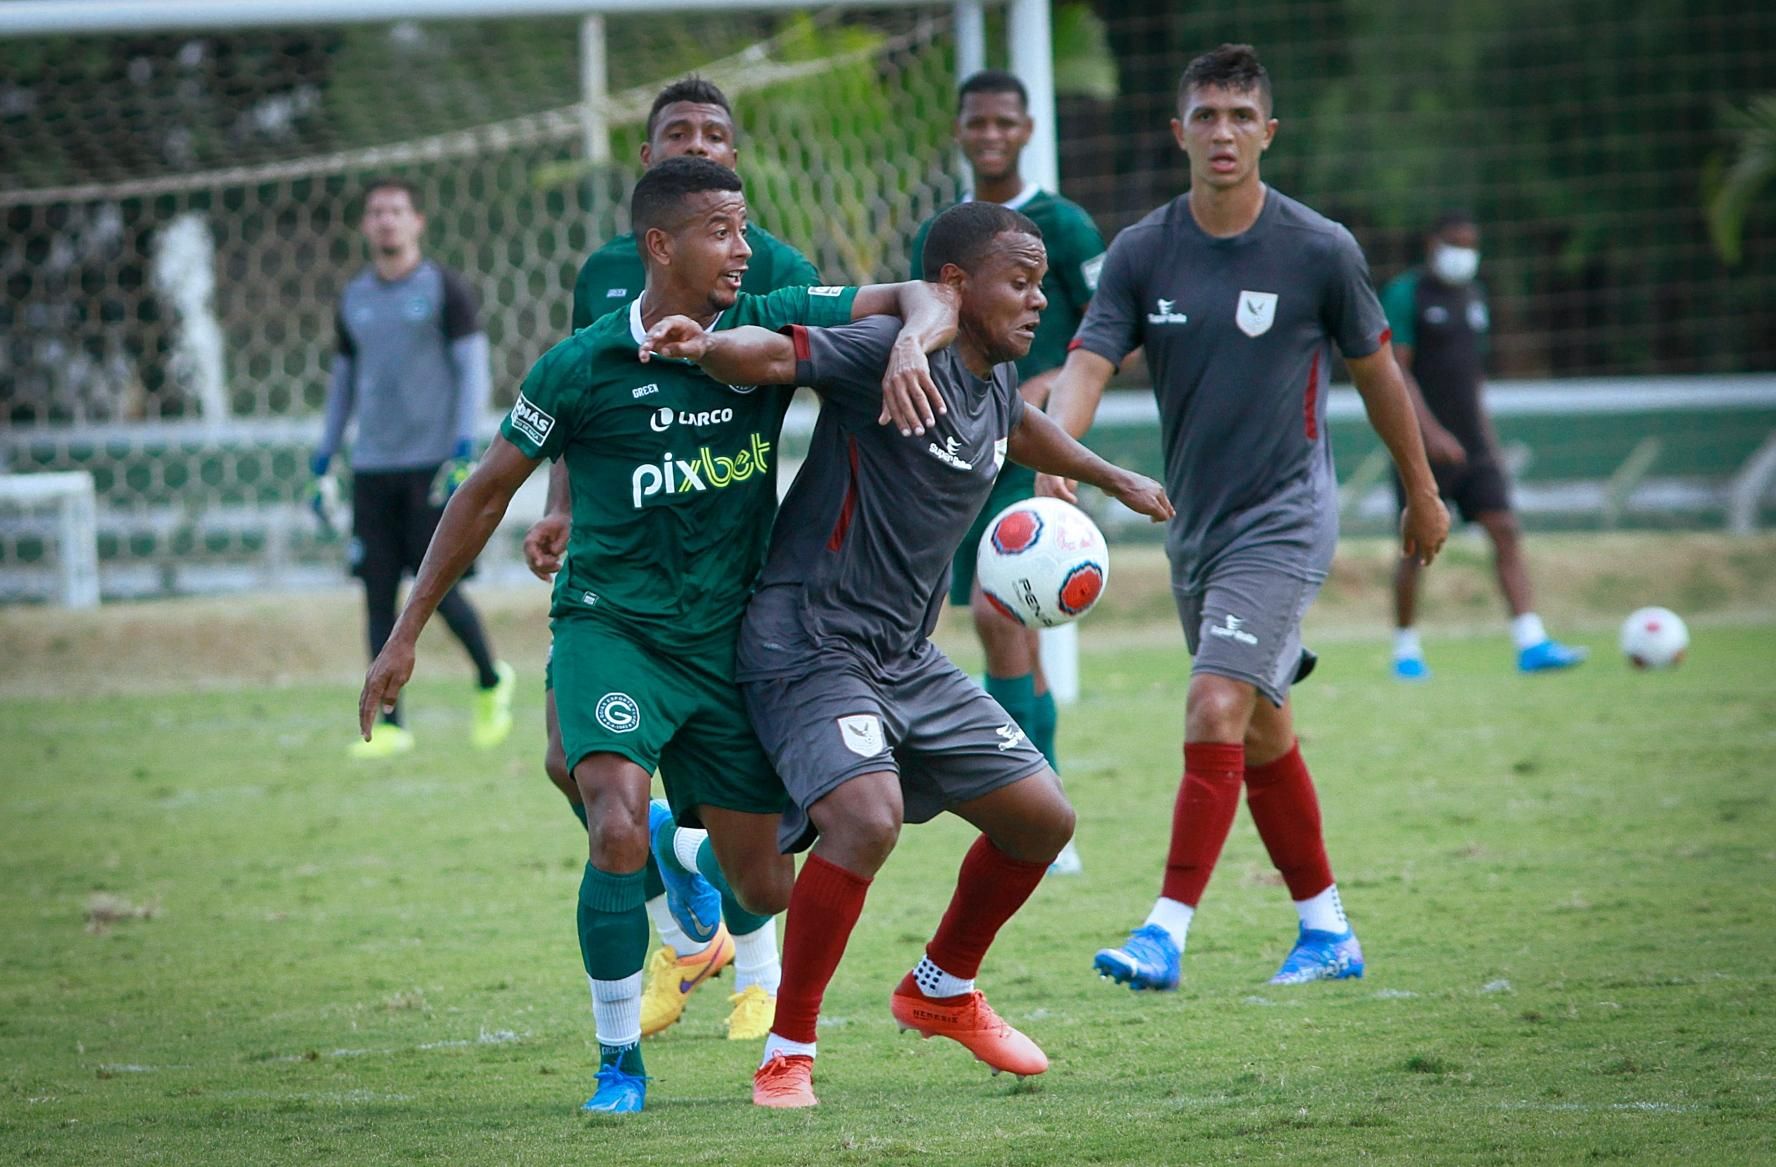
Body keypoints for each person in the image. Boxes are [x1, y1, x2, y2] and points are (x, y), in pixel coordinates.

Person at [359, 156, 958, 1115]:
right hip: (615, 628)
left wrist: (911, 344)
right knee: (611, 820)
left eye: (743, 226)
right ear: (660, 244)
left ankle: (688, 859)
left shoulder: (769, 313)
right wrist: (404, 634)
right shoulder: (580, 363)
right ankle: (617, 1063)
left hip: (733, 643)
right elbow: (482, 495)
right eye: (720, 230)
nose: (741, 247)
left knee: (764, 889)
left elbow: (924, 292)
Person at [640, 199, 1173, 1109]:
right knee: (862, 818)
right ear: (954, 287)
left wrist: (1108, 473)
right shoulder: (888, 351)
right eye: (1021, 282)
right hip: (807, 639)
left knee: (1043, 818)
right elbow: (776, 353)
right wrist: (699, 349)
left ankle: (941, 987)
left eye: (1041, 283)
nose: (1039, 301)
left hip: (903, 655)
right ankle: (787, 1052)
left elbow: (1018, 430)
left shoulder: (994, 375)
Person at [1034, 45, 1451, 990]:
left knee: (1214, 700)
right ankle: (1327, 930)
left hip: (1285, 517)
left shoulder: (1319, 249)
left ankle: (1164, 929)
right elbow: (1089, 363)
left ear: (1268, 131)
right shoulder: (1144, 250)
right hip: (1197, 529)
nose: (1222, 132)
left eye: (1239, 115)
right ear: (1177, 130)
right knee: (1259, 726)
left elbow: (1380, 373)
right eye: (1206, 115)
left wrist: (1421, 489)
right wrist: (1057, 464)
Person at [523, 76, 824, 1046]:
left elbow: (828, 361)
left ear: (737, 156)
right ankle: (675, 940)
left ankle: (754, 978)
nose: (697, 141)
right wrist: (561, 505)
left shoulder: (769, 268)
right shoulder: (608, 271)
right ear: (648, 159)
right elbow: (582, 400)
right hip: (615, 587)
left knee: (756, 856)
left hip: (728, 590)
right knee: (570, 766)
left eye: (714, 132)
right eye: (677, 132)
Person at [907, 69, 1109, 877]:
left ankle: (1036, 801)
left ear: (1027, 129)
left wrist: (1048, 384)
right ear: (959, 131)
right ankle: (1023, 796)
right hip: (950, 444)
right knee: (958, 620)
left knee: (1004, 613)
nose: (989, 134)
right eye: (976, 122)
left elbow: (1110, 331)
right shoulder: (951, 228)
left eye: (1003, 121)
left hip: (1025, 442)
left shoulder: (1063, 224)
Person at [313, 177, 513, 760]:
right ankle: (393, 727)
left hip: (432, 467)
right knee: (377, 593)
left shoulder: (446, 289)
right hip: (372, 467)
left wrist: (462, 452)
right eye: (376, 212)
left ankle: (490, 678)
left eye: (397, 211)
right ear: (365, 225)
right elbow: (342, 386)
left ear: (417, 221)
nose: (386, 221)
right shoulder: (353, 298)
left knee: (437, 588)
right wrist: (324, 458)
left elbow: (473, 373)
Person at [1380, 212, 1587, 679]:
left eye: (1471, 245)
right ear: (1433, 243)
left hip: (1472, 446)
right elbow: (1395, 372)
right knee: (1416, 547)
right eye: (1455, 243)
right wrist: (1429, 433)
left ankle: (1531, 642)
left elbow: (1472, 376)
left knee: (1506, 529)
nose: (1463, 254)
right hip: (1420, 447)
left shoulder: (1473, 296)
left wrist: (1485, 439)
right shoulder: (1406, 293)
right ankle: (1405, 651)